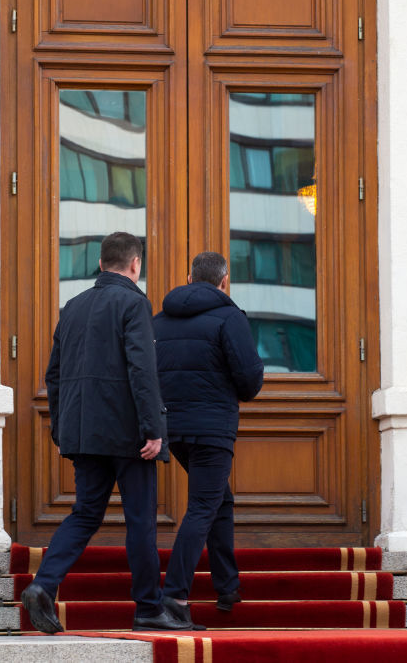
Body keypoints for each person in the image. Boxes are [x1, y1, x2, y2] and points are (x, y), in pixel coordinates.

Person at [20, 232, 189, 634]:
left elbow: (55, 375)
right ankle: (148, 607)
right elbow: (142, 371)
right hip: (129, 434)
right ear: (135, 265)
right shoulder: (134, 302)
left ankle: (43, 585)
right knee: (141, 521)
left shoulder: (73, 307)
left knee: (84, 513)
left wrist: (62, 428)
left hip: (82, 431)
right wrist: (153, 429)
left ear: (100, 263)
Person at [152, 251, 264, 628]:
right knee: (203, 506)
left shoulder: (159, 321)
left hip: (172, 429)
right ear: (224, 280)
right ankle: (175, 596)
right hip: (213, 429)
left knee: (219, 499)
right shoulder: (230, 317)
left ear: (188, 277)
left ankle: (227, 586)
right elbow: (249, 381)